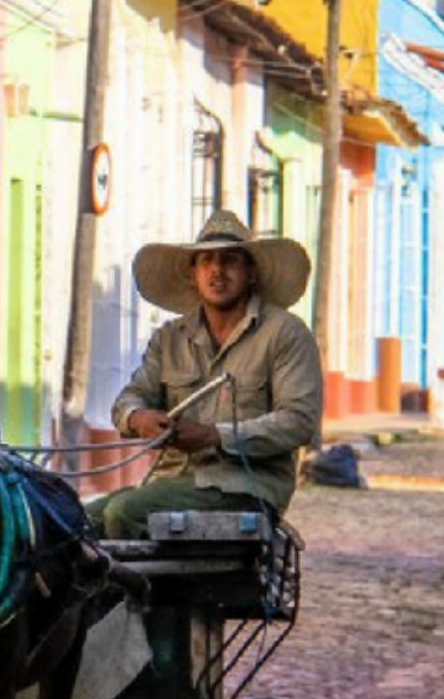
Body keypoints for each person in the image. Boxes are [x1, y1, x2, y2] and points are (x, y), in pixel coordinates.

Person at [93, 210, 322, 540]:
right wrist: (138, 417)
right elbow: (130, 398)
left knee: (124, 514)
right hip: (172, 483)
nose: (217, 270)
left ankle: (143, 593)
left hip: (247, 487)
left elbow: (299, 421)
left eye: (230, 260)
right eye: (206, 261)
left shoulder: (285, 334)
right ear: (193, 273)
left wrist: (215, 436)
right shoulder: (170, 337)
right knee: (73, 522)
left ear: (251, 273)